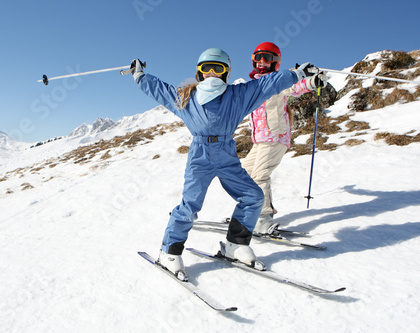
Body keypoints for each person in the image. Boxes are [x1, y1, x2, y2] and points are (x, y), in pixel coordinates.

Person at [129, 48, 317, 281]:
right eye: (205, 69)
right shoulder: (185, 97)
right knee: (190, 205)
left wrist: (296, 74)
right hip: (201, 155)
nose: (211, 74)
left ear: (226, 73)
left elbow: (268, 84)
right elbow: (159, 89)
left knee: (253, 197)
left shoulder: (238, 95)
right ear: (198, 74)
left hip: (227, 154)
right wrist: (139, 75)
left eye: (217, 68)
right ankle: (169, 252)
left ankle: (235, 245)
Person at [241, 42, 328, 235]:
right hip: (260, 141)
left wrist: (312, 81)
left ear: (276, 63)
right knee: (244, 173)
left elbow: (295, 87)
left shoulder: (278, 82)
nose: (262, 62)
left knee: (259, 176)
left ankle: (263, 219)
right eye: (258, 58)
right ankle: (249, 212)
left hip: (274, 137)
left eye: (268, 58)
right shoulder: (253, 85)